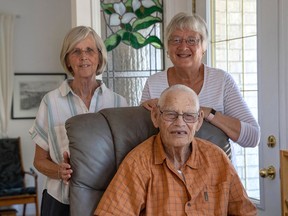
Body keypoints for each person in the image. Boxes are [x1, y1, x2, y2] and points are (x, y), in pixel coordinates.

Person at [94, 84, 257, 216]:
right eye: (171, 115)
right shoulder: (138, 163)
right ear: (155, 117)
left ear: (199, 121)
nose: (180, 123)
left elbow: (246, 212)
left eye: (188, 116)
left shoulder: (217, 158)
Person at [29, 26, 128, 216]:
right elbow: (39, 160)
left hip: (108, 199)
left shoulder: (118, 102)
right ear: (67, 60)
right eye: (76, 51)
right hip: (60, 202)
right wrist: (59, 171)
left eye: (90, 50)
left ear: (99, 57)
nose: (84, 56)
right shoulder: (51, 102)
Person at [140, 12, 260, 165]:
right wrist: (143, 112)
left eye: (192, 40)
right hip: (167, 173)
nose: (183, 46)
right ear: (168, 48)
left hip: (217, 174)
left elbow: (253, 137)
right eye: (176, 40)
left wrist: (209, 113)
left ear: (203, 47)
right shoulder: (154, 83)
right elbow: (142, 138)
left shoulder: (221, 81)